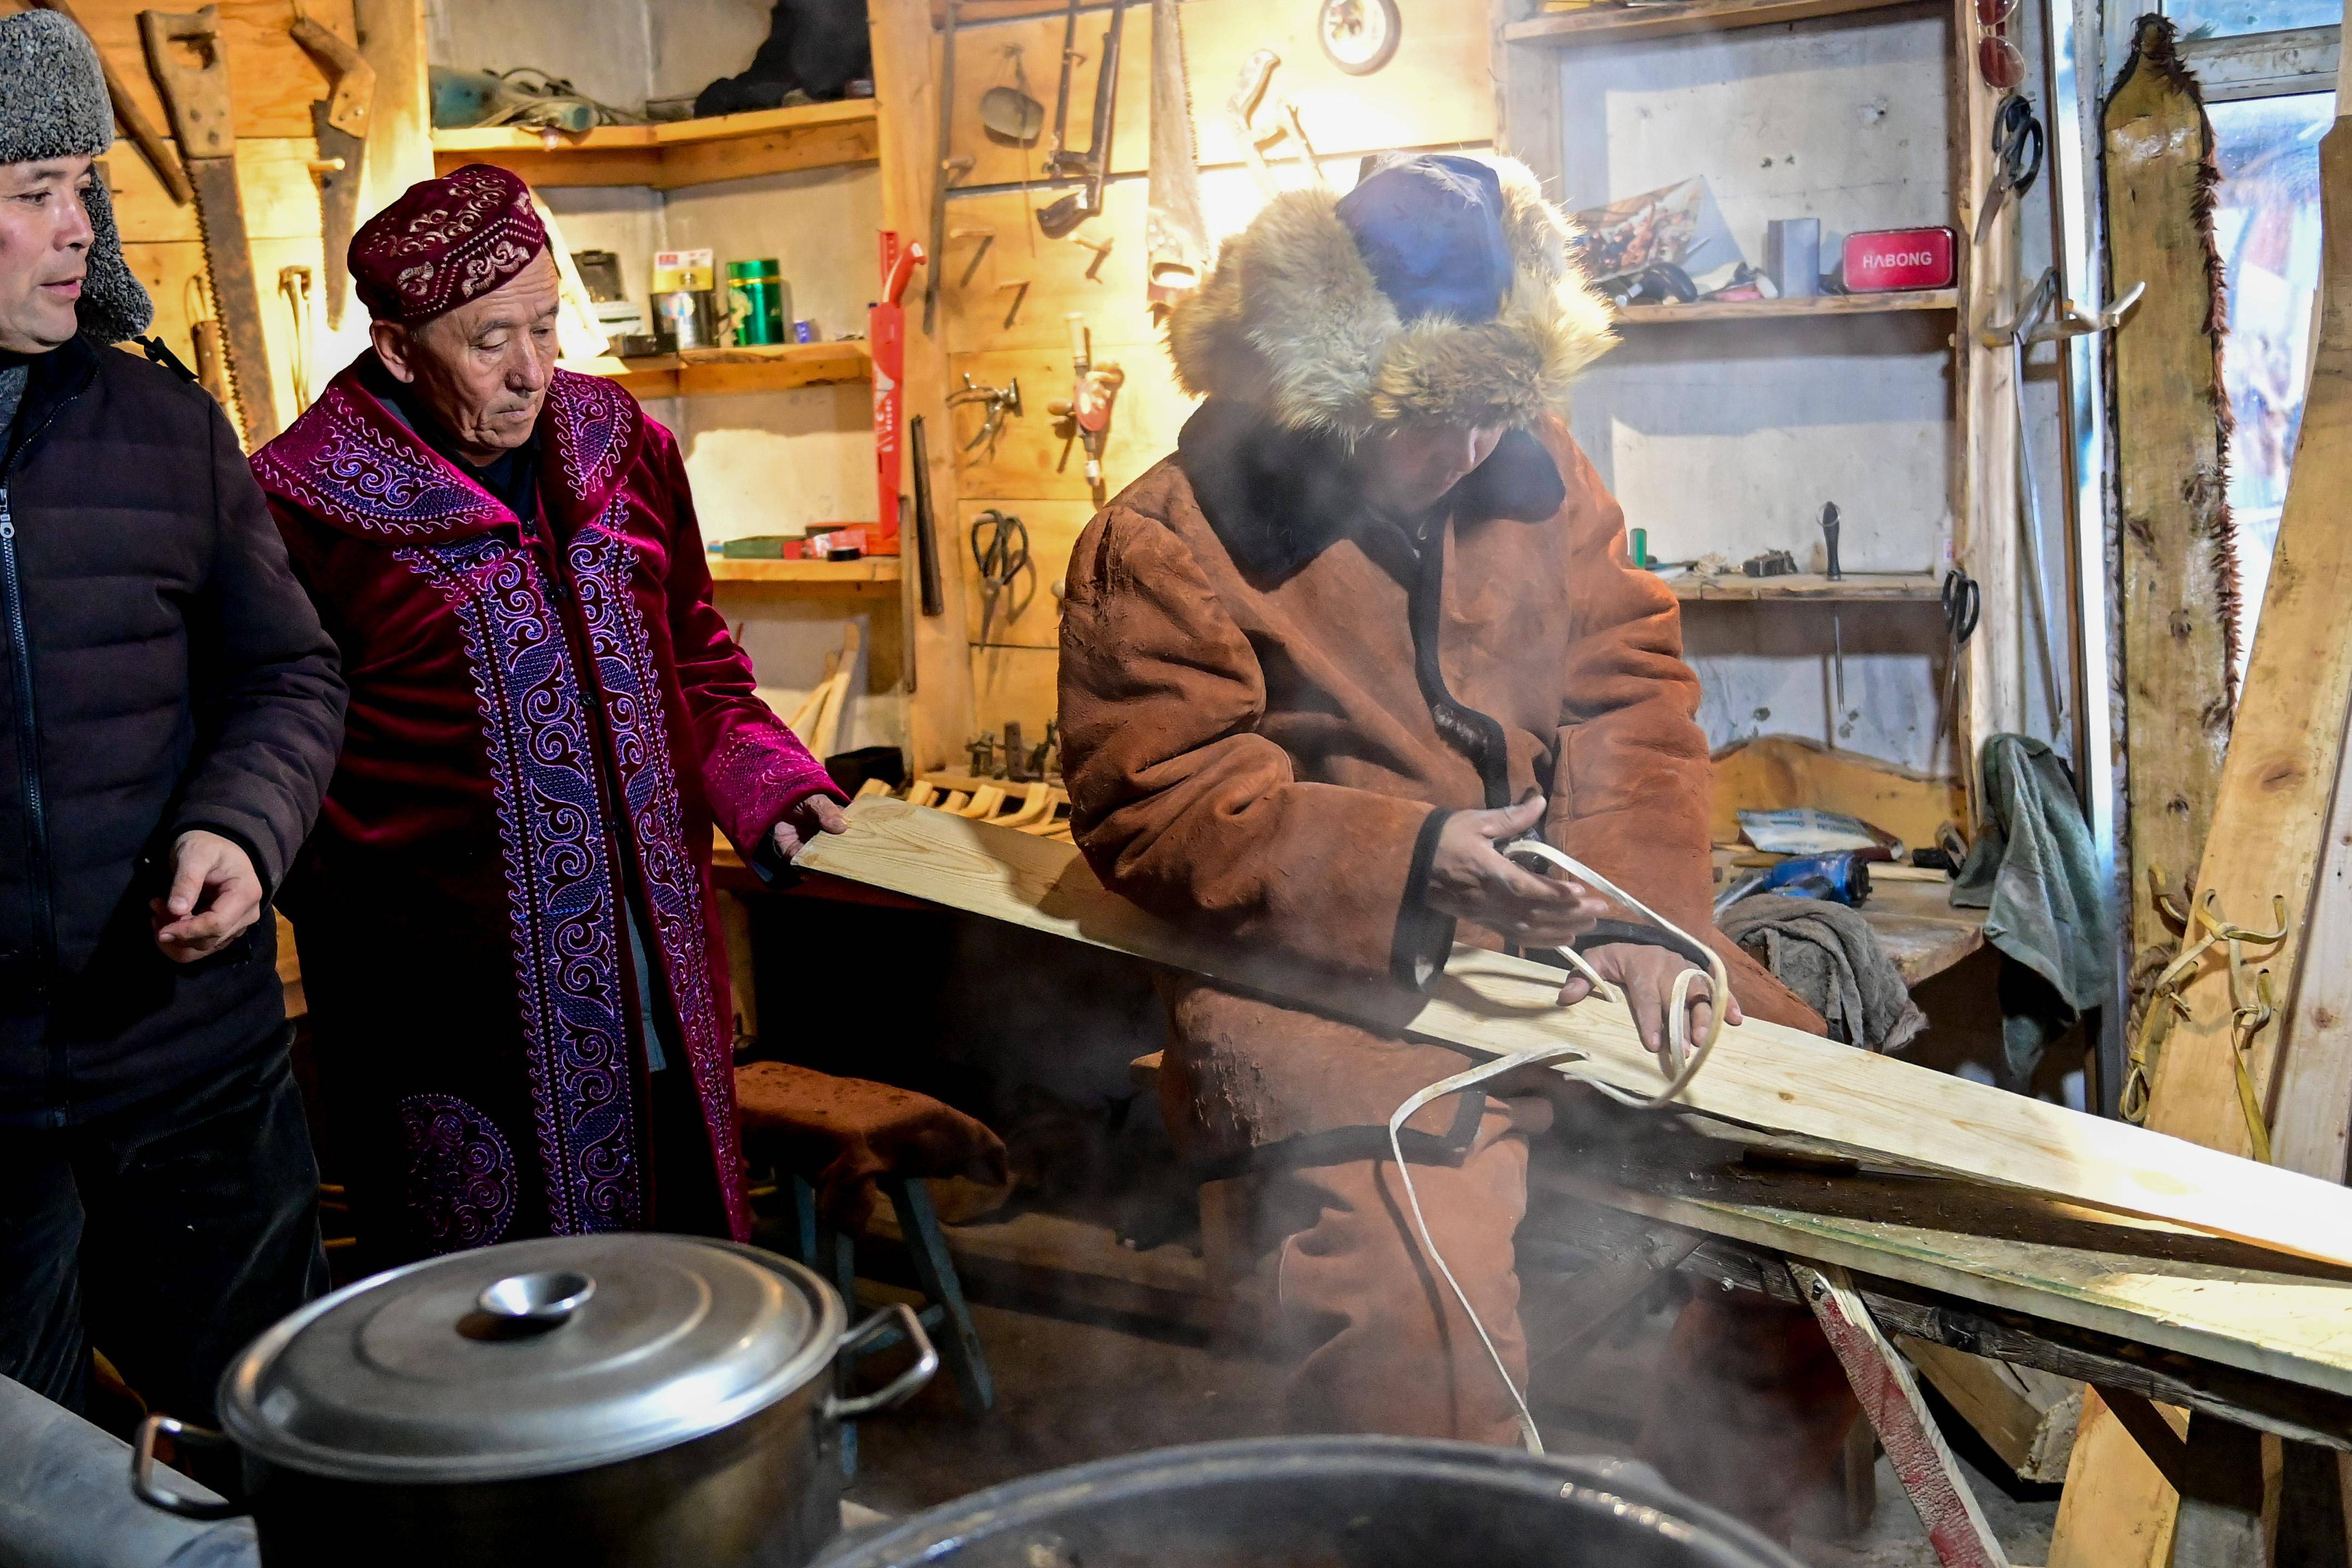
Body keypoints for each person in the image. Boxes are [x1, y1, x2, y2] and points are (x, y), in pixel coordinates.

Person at [1056, 153, 1857, 1539]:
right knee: (1409, 1323)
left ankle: (1713, 1521)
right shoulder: (1171, 536)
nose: (1484, 450)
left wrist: (1645, 921)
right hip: (1316, 972)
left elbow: (1627, 692)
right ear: (1334, 390)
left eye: (1504, 406)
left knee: (1844, 1177)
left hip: (1568, 926)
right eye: (1441, 418)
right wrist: (1415, 858)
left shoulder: (1536, 465)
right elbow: (1158, 800)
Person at [252, 164, 847, 1266]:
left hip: (660, 959)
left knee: (687, 1282)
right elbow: (270, 746)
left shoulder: (620, 445)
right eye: (490, 342)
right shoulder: (302, 507)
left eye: (547, 325)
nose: (533, 372)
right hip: (456, 1007)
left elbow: (700, 658)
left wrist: (771, 783)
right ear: (397, 349)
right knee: (492, 1320)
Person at [0, 11, 346, 1424]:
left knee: (271, 1443)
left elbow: (287, 675)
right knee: (31, 1493)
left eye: (87, 186)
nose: (80, 225)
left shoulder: (163, 429)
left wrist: (239, 831)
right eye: (35, 194)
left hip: (193, 1065)